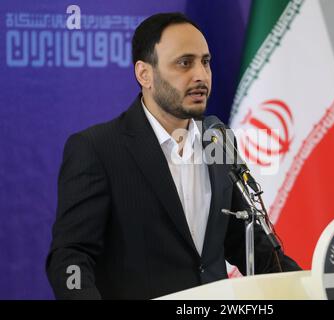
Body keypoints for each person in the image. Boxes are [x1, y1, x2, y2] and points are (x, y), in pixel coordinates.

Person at [46, 12, 300, 300]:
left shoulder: (216, 138)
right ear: (145, 74)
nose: (201, 76)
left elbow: (245, 241)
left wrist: (307, 285)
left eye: (205, 62)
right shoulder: (98, 148)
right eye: (184, 63)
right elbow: (70, 257)